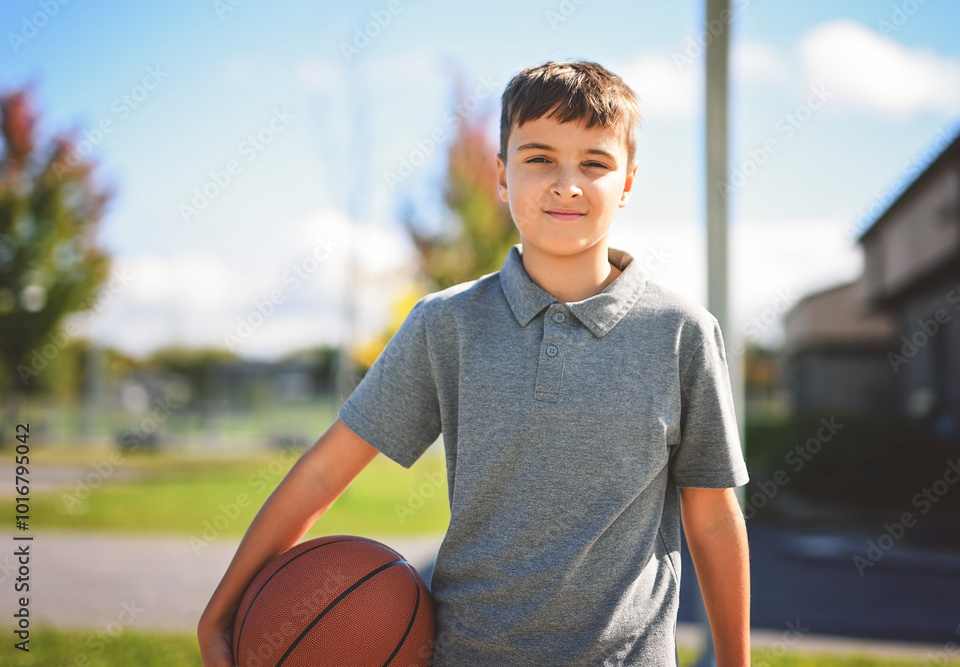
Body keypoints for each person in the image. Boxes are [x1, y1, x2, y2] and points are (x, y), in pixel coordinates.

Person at [199, 59, 750, 667]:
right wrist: (221, 610)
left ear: (627, 182)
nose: (566, 183)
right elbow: (322, 476)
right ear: (501, 175)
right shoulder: (445, 323)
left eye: (594, 163)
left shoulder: (681, 333)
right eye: (539, 158)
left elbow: (713, 518)